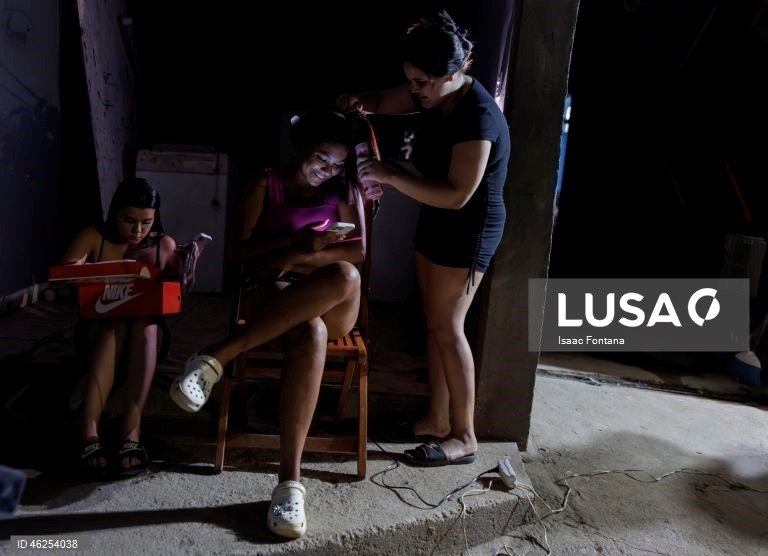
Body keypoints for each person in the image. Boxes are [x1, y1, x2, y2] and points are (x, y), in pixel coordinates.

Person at [169, 110, 365, 538]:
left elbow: (356, 254)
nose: (327, 170)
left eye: (336, 164)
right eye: (320, 158)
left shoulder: (344, 190)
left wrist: (296, 255)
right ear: (299, 147)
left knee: (346, 277)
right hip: (275, 293)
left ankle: (216, 357)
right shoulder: (265, 183)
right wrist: (293, 243)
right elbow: (237, 254)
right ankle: (290, 485)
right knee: (308, 330)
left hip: (332, 295)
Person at [337, 10, 511, 467]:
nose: (415, 90)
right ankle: (436, 418)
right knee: (432, 323)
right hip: (436, 217)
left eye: (423, 82)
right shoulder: (433, 95)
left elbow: (457, 195)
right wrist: (360, 99)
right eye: (411, 80)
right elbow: (382, 99)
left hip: (468, 226)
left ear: (455, 73)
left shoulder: (477, 117)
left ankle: (465, 435)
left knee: (448, 327)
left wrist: (390, 174)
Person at [61, 177, 192, 477]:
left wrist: (184, 270)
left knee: (144, 325)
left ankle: (131, 433)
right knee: (113, 324)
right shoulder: (96, 236)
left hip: (147, 333)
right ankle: (89, 432)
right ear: (115, 213)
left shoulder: (162, 244)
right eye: (129, 220)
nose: (137, 231)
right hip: (98, 330)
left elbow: (175, 294)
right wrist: (80, 272)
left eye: (146, 222)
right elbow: (64, 272)